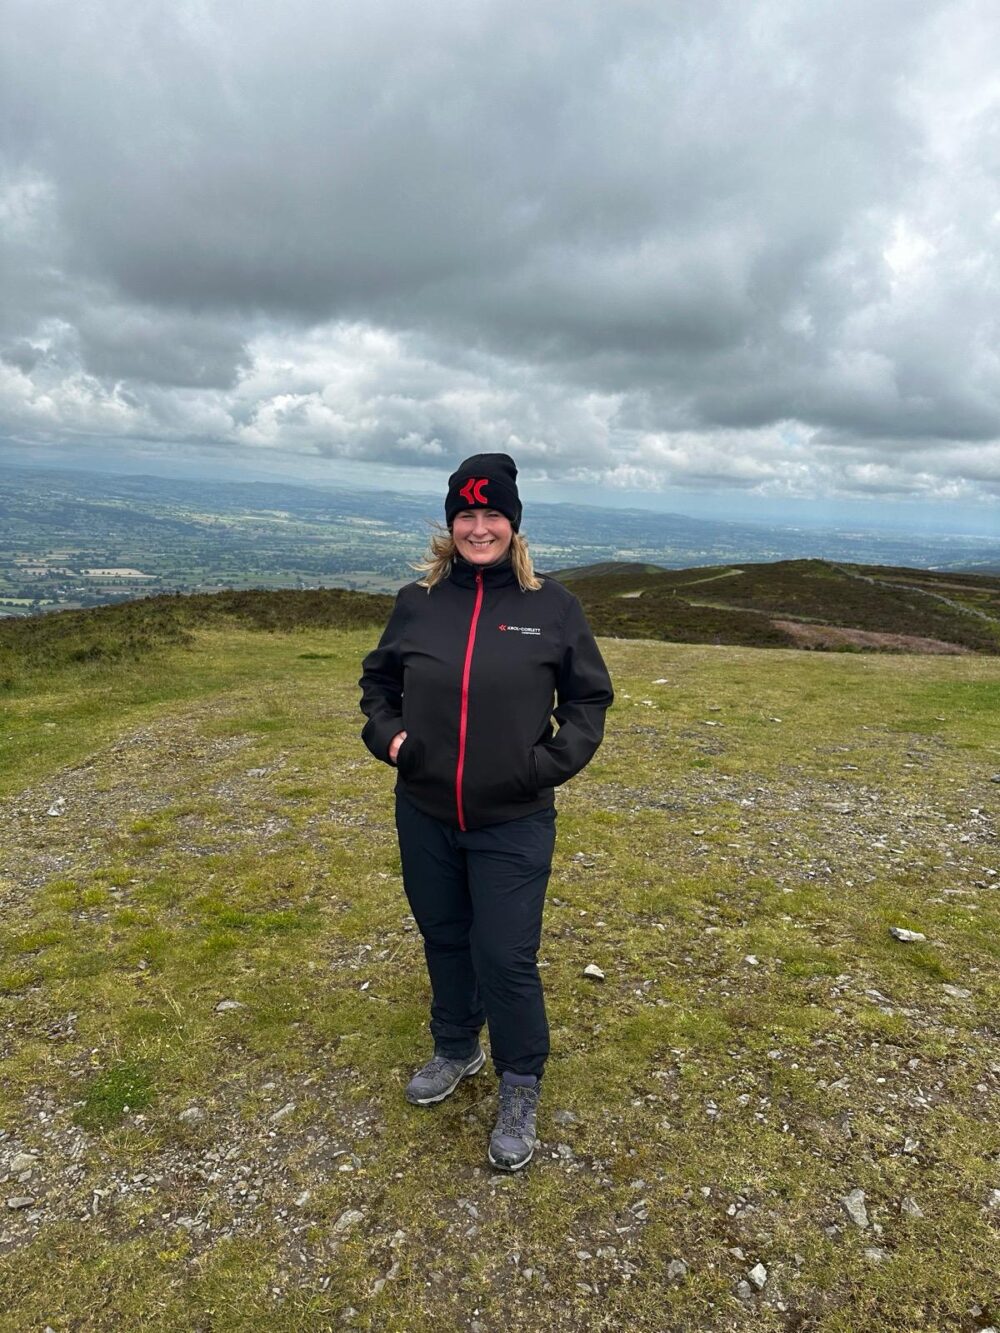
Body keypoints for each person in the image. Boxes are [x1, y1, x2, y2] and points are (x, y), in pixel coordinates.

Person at [359, 453, 613, 1171]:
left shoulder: (552, 607)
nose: (478, 527)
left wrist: (546, 764)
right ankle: (455, 1045)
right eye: (465, 515)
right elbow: (377, 683)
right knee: (444, 933)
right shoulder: (419, 601)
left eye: (490, 514)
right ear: (450, 525)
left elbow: (589, 699)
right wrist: (390, 736)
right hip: (425, 809)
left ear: (513, 523)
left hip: (513, 818)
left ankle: (521, 1079)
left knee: (504, 954)